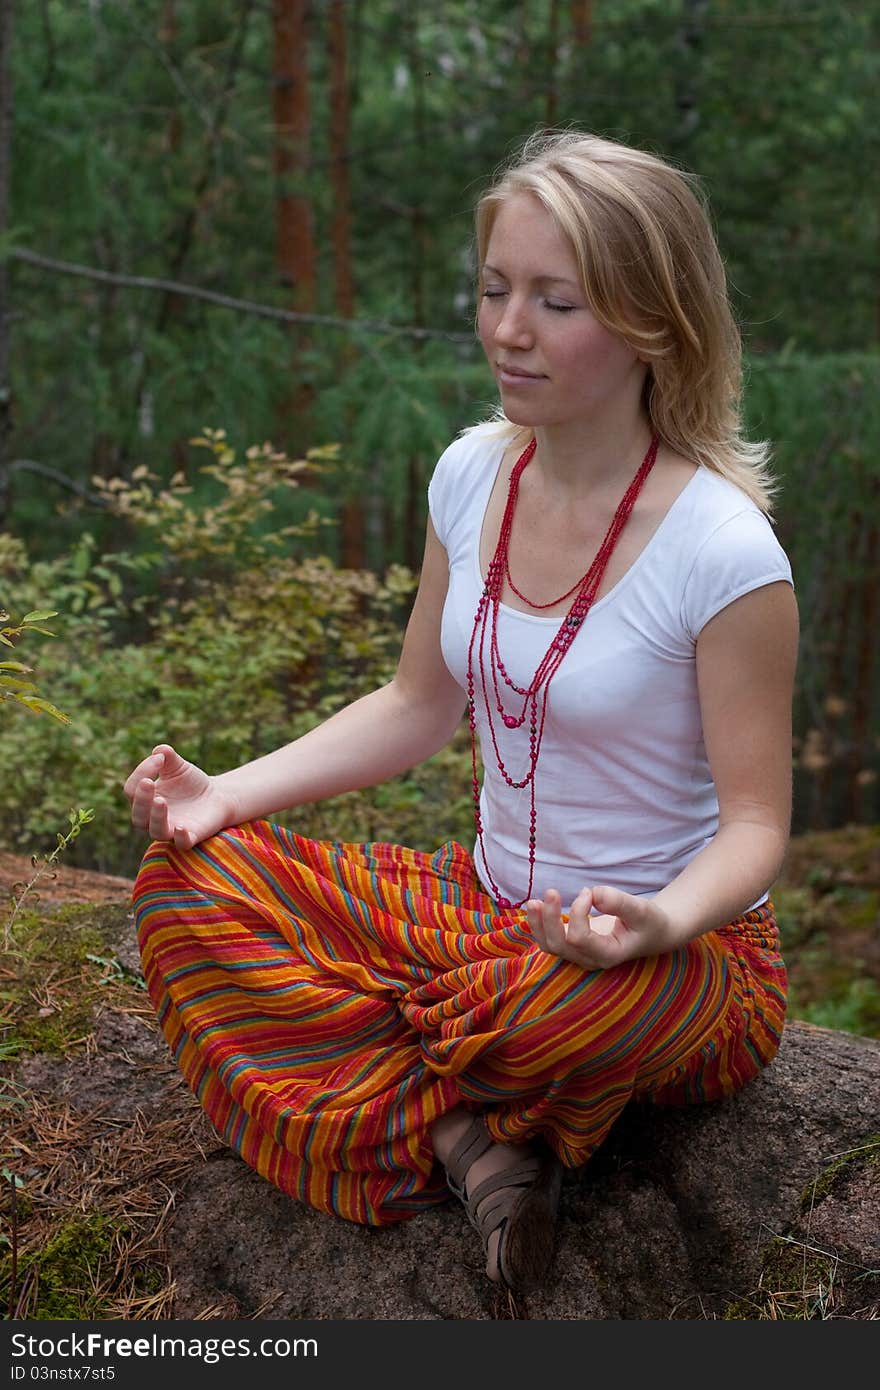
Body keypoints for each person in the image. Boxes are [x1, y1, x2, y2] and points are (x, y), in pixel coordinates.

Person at [125, 129, 798, 1295]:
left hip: (668, 958)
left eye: (555, 300)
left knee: (547, 1015)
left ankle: (410, 1079)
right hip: (478, 910)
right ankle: (470, 1138)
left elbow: (754, 828)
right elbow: (414, 705)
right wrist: (225, 793)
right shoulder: (471, 476)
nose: (506, 329)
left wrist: (653, 920)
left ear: (650, 318)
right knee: (185, 883)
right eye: (494, 289)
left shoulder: (726, 554)